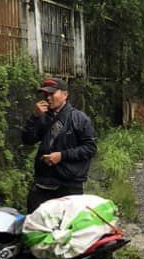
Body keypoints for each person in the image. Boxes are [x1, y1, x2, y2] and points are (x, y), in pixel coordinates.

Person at [22, 77, 98, 213]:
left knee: (67, 226)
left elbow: (90, 148)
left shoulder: (79, 118)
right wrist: (34, 117)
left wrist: (62, 156)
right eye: (46, 94)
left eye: (52, 93)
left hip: (69, 184)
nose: (48, 98)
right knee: (35, 222)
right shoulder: (42, 117)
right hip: (43, 182)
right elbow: (27, 139)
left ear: (65, 95)